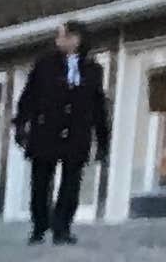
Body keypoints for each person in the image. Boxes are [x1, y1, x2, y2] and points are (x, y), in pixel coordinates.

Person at [13, 18, 110, 247]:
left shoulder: (92, 69)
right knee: (41, 180)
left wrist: (103, 139)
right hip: (46, 129)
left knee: (71, 181)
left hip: (77, 131)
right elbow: (29, 95)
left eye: (64, 35)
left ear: (77, 39)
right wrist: (21, 123)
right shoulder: (45, 64)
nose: (59, 40)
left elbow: (98, 105)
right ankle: (39, 225)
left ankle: (62, 227)